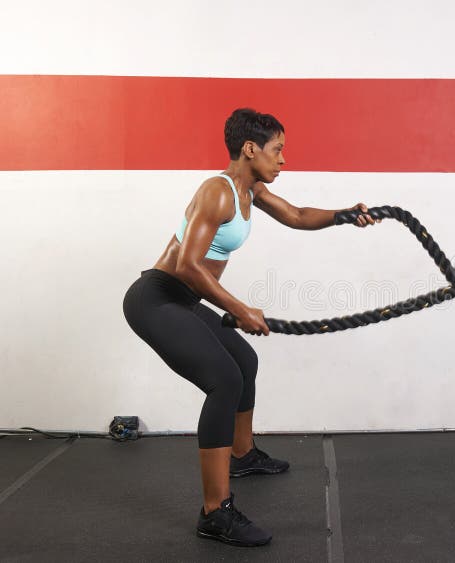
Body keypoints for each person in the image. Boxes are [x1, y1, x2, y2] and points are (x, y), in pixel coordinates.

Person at [122, 108, 379, 547]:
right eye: (277, 150)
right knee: (224, 379)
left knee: (244, 359)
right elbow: (188, 265)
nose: (283, 159)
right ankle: (214, 512)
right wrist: (241, 309)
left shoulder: (250, 190)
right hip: (156, 298)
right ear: (250, 148)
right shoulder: (217, 192)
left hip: (182, 298)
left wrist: (343, 215)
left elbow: (297, 215)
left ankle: (241, 455)